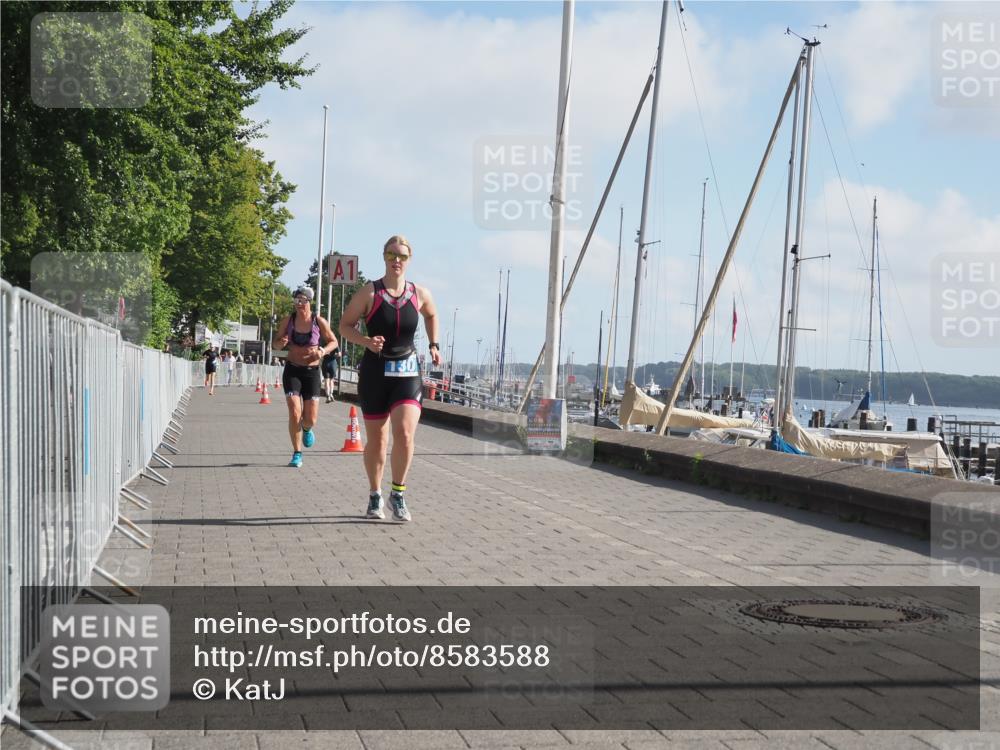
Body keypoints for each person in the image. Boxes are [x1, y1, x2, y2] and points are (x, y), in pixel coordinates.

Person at [339, 235, 440, 522]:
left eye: (402, 256)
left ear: (409, 260)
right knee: (377, 440)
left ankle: (398, 494)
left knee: (405, 434)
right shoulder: (369, 293)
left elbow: (432, 315)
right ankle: (374, 495)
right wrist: (366, 341)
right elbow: (345, 326)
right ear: (383, 257)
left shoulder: (419, 294)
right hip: (374, 372)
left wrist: (434, 344)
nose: (397, 260)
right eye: (391, 255)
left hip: (407, 371)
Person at [272, 287, 340, 468]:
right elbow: (276, 342)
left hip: (311, 373)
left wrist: (322, 351)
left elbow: (334, 342)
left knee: (310, 418)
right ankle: (297, 452)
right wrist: (281, 342)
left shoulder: (319, 322)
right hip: (292, 370)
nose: (299, 304)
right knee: (295, 412)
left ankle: (308, 428)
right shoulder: (288, 321)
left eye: (302, 300)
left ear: (310, 301)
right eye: (296, 300)